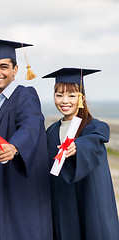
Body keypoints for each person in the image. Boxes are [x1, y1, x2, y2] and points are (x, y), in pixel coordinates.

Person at [0, 39, 53, 239]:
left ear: (15, 69)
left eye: (3, 67)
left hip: (17, 184)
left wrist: (15, 146)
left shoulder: (25, 95)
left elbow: (32, 124)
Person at [43, 68, 119, 240]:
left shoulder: (94, 127)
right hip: (61, 204)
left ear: (82, 99)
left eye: (71, 95)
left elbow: (93, 141)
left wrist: (77, 147)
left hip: (87, 202)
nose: (64, 101)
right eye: (59, 94)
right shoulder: (51, 132)